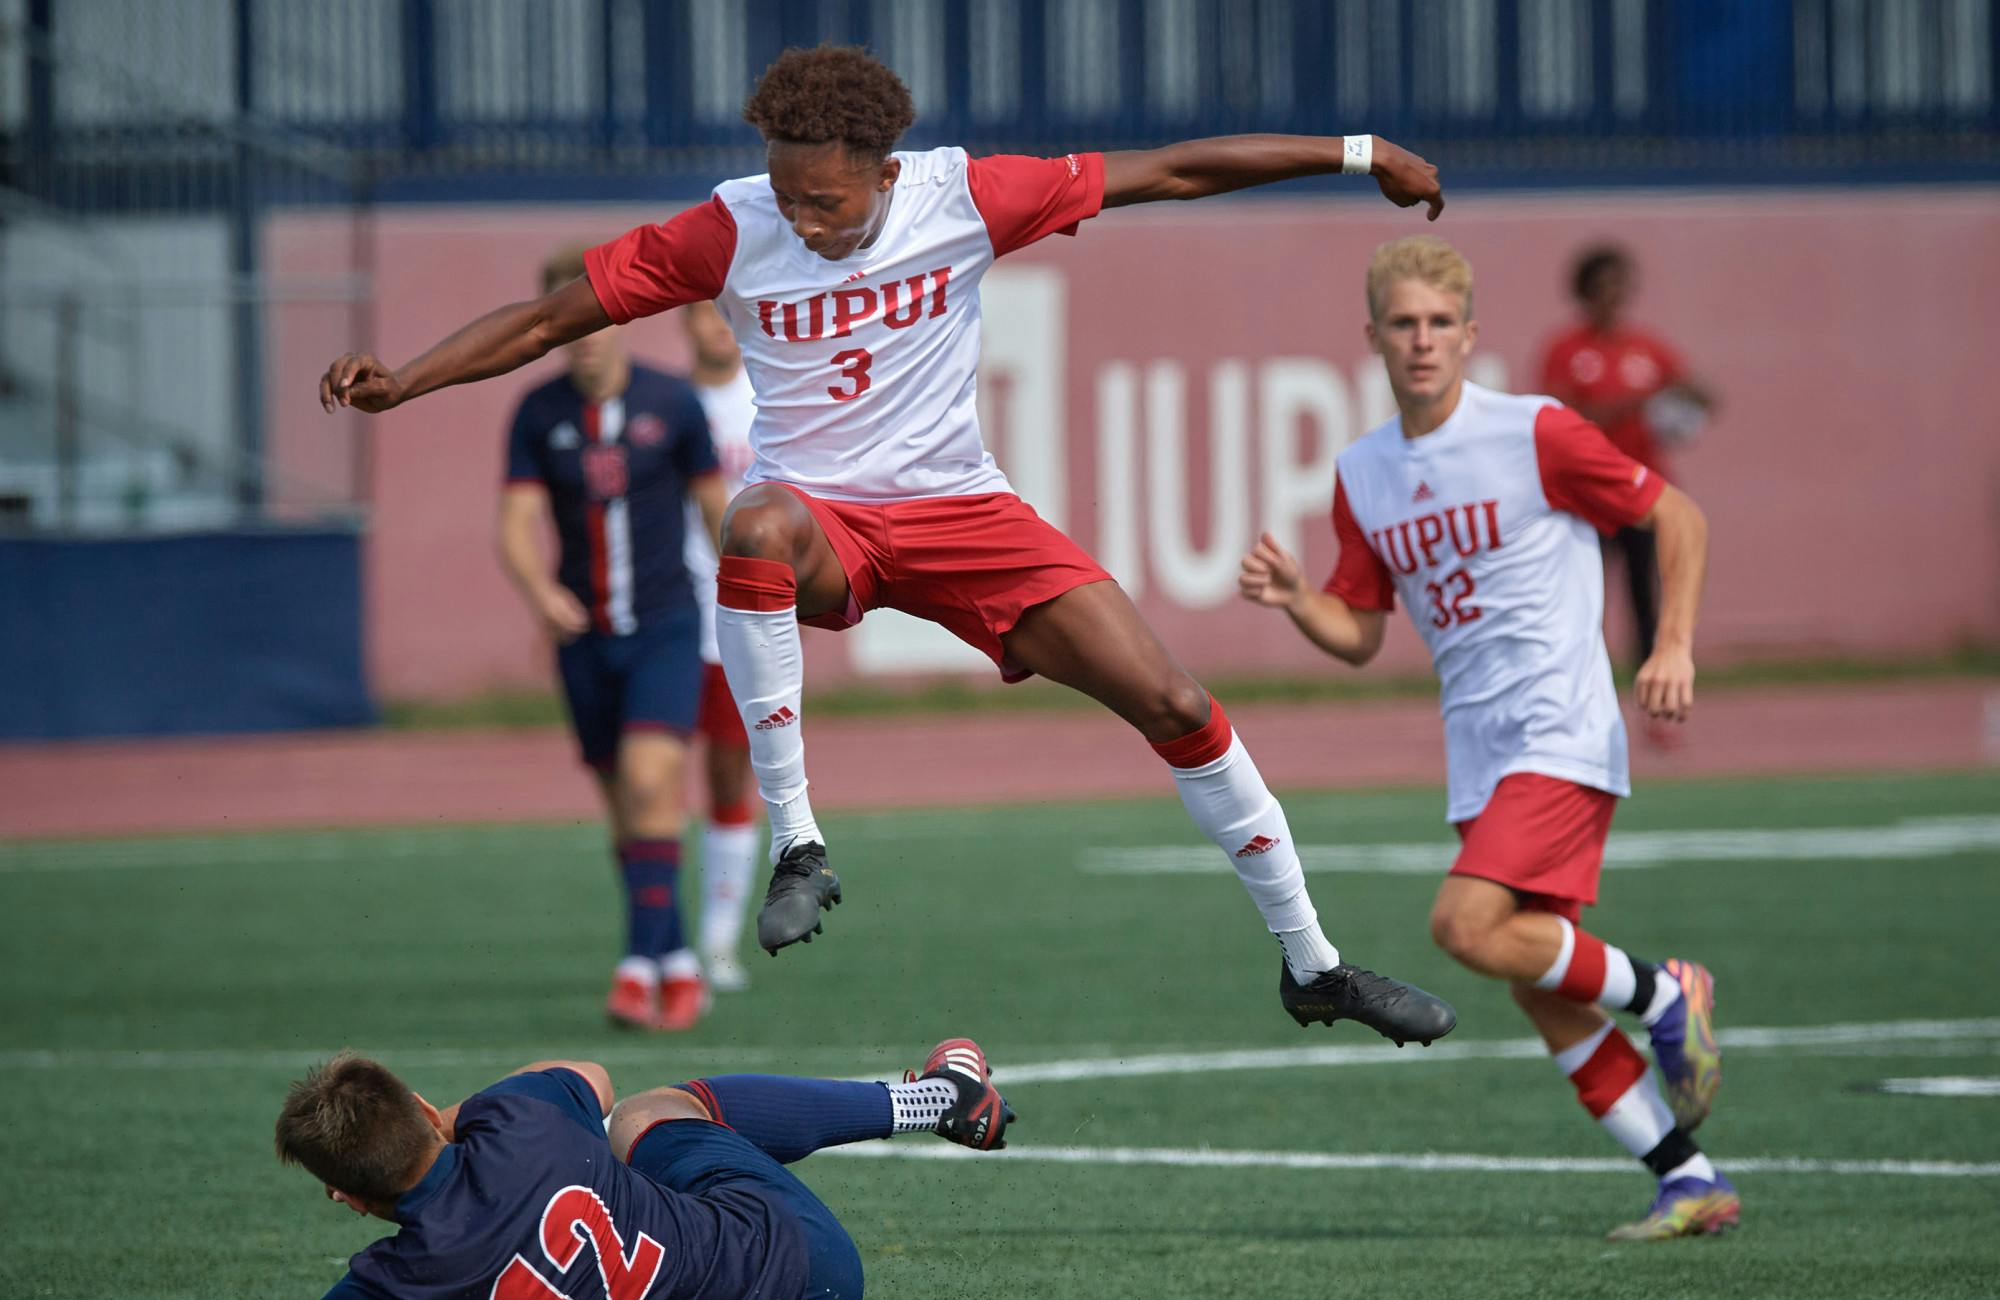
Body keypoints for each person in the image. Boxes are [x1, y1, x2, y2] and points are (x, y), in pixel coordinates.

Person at [320, 44, 1456, 1048]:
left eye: (823, 201)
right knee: (752, 522)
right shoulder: (729, 226)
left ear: (882, 166)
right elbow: (550, 316)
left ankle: (1312, 965)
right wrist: (406, 379)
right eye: (786, 195)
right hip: (823, 522)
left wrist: (1359, 151)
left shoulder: (965, 195)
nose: (802, 221)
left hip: (963, 512)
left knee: (1174, 701)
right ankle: (799, 843)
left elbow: (1174, 170)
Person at [1238, 237, 1733, 1242]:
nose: (1420, 341)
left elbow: (1673, 514)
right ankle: (1686, 1177)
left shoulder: (1534, 431)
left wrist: (1669, 641)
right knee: (1535, 978)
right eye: (1401, 323)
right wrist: (1297, 599)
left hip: (1558, 724)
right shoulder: (1361, 473)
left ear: (1469, 336)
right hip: (1478, 749)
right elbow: (1358, 632)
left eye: (1437, 324)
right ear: (1371, 336)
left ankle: (1661, 988)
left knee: (1462, 924)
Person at [133, 1040, 1019, 1300]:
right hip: (808, 1274)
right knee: (644, 1115)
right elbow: (588, 1078)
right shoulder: (515, 1120)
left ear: (345, 1195)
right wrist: (464, 1116)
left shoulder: (389, 1290)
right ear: (425, 1111)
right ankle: (934, 1102)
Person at [496, 246, 731, 1031]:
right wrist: (539, 593)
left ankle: (636, 968)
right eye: (570, 320)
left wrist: (751, 588)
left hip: (667, 625)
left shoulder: (675, 403)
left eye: (597, 316)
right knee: (624, 808)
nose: (586, 334)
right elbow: (516, 524)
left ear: (623, 316)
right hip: (585, 639)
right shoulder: (538, 413)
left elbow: (713, 509)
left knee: (647, 778)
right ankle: (678, 959)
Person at [1538, 245, 1716, 682]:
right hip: (1588, 495)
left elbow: (1703, 395)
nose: (1613, 296)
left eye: (1621, 285)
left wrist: (1678, 401)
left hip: (1642, 493)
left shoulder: (1646, 348)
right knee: (1584, 597)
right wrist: (1634, 403)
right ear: (1585, 292)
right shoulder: (1567, 350)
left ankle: (1653, 689)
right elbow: (1563, 417)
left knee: (1645, 596)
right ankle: (1583, 686)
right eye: (1603, 286)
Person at [679, 298, 763, 993]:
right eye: (705, 315)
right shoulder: (669, 408)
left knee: (731, 776)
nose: (717, 328)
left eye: (727, 314)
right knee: (647, 777)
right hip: (668, 617)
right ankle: (660, 945)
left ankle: (719, 941)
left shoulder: (771, 401)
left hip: (742, 616)